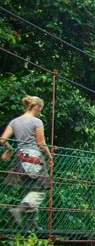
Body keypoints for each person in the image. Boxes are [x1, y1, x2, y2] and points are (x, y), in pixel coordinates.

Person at [1, 96, 53, 230]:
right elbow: (41, 143)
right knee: (41, 190)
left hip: (20, 159)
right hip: (34, 158)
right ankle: (18, 210)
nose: (40, 112)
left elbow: (2, 140)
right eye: (40, 109)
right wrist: (49, 156)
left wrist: (9, 149)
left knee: (31, 190)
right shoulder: (37, 122)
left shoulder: (14, 122)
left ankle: (32, 224)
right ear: (37, 107)